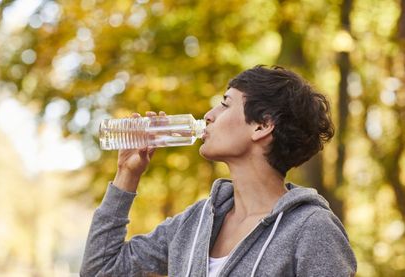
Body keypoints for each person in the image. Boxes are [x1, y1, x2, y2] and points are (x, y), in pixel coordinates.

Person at [80, 65, 357, 276]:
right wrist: (127, 175)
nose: (209, 115)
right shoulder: (194, 222)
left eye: (225, 104)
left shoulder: (311, 229)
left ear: (262, 126)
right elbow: (101, 269)